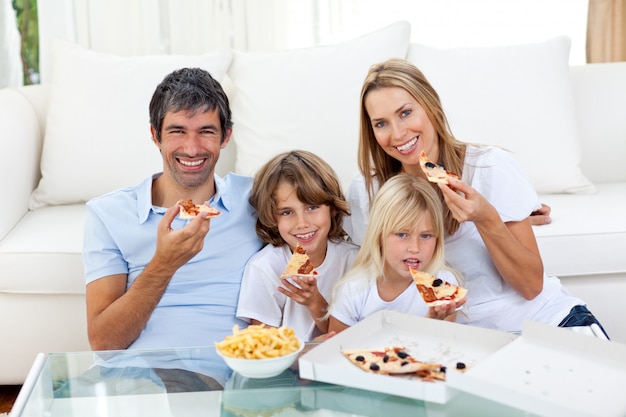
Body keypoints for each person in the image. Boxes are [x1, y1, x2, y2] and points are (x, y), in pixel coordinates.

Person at [344, 58, 609, 337]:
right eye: (381, 123)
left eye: (406, 113)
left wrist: (487, 217)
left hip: (545, 324)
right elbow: (358, 272)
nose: (397, 133)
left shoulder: (488, 167)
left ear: (431, 105)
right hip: (459, 345)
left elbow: (532, 286)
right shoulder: (366, 192)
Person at [82, 67, 264, 390]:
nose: (192, 148)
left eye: (206, 131)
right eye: (177, 131)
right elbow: (104, 342)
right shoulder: (108, 214)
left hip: (228, 383)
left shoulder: (255, 200)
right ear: (155, 135)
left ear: (225, 137)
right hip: (138, 382)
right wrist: (163, 264)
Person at [236, 150, 359, 341]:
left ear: (332, 208)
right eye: (286, 212)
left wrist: (315, 302)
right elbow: (262, 350)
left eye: (312, 207)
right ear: (271, 217)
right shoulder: (265, 268)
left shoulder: (354, 260)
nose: (302, 223)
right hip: (290, 369)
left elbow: (352, 338)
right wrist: (304, 353)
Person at [328, 174, 464, 333]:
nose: (414, 248)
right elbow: (337, 349)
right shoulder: (353, 290)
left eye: (425, 236)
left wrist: (433, 323)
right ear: (379, 235)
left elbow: (439, 350)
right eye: (402, 234)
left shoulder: (443, 283)